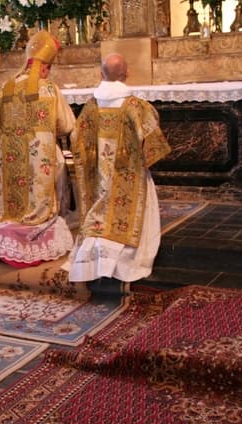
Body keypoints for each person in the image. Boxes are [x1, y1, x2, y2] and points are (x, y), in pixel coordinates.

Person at [64, 54, 172, 283]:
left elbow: (76, 136)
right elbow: (153, 139)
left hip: (99, 176)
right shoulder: (136, 106)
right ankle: (123, 263)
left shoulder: (91, 106)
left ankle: (94, 258)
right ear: (127, 73)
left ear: (100, 74)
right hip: (129, 175)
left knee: (99, 213)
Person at [0, 31, 76, 268]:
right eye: (48, 68)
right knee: (57, 162)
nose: (48, 73)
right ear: (43, 67)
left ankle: (10, 220)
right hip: (40, 160)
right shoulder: (49, 89)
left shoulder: (4, 89)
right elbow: (67, 125)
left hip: (9, 159)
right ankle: (42, 221)